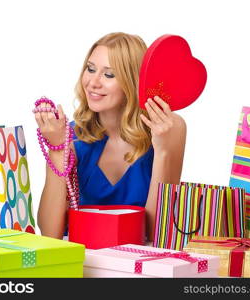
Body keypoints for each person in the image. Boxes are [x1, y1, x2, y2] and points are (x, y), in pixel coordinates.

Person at [35, 32, 186, 241]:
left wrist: (162, 151)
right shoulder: (73, 135)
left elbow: (156, 233)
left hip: (139, 262)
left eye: (109, 74)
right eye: (90, 69)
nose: (93, 82)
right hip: (83, 261)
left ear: (133, 81)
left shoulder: (168, 127)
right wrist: (57, 149)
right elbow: (49, 234)